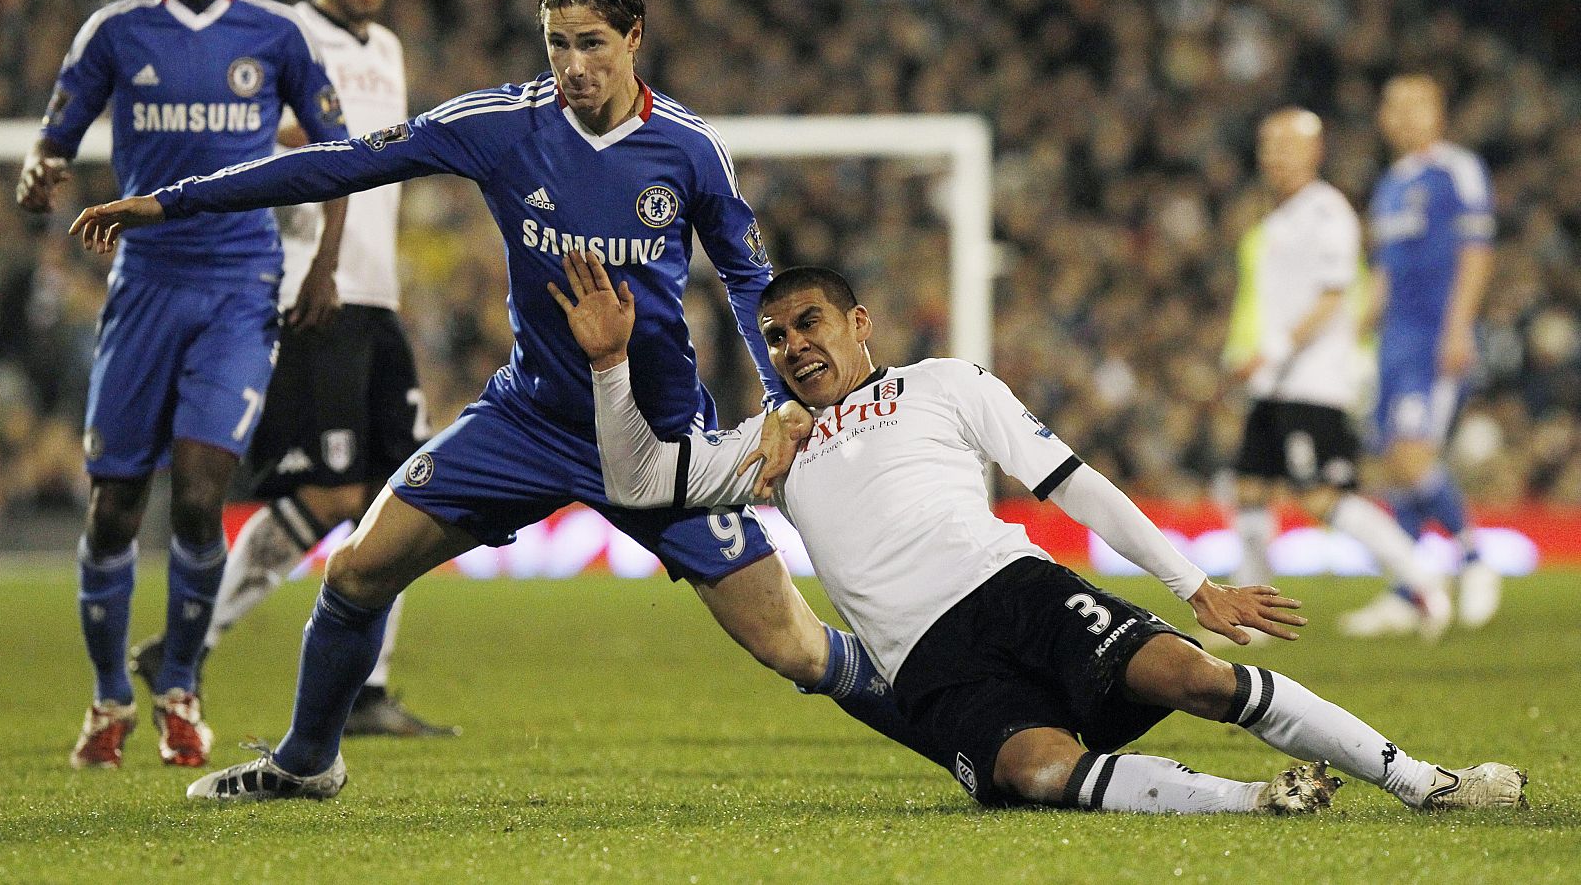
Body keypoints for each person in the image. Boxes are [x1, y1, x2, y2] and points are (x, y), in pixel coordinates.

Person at [71, 0, 935, 801]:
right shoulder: (499, 125)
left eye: (592, 43)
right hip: (529, 422)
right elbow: (338, 161)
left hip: (658, 439)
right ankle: (305, 762)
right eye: (557, 43)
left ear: (635, 37)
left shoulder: (689, 150)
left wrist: (785, 403)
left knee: (794, 645)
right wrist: (173, 199)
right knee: (355, 572)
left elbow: (751, 282)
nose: (573, 66)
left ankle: (966, 730)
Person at [558, 253, 1526, 813]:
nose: (793, 346)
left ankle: (1427, 781)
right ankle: (1255, 800)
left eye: (807, 322)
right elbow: (634, 479)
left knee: (1191, 675)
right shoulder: (772, 441)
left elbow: (1070, 481)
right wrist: (607, 366)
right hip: (928, 662)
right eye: (773, 338)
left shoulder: (944, 382)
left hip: (1015, 591)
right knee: (1030, 773)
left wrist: (1193, 583)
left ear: (857, 323)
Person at [18, 0, 350, 771]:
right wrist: (43, 168)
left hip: (242, 285)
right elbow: (58, 130)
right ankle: (105, 699)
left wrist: (322, 262)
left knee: (203, 496)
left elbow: (340, 156)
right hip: (145, 285)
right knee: (116, 502)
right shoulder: (116, 32)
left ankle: (179, 688)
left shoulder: (274, 34)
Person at [127, 0, 455, 739]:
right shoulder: (278, 37)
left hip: (375, 296)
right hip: (308, 291)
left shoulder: (385, 45)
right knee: (332, 487)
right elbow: (226, 141)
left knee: (398, 491)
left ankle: (368, 689)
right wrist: (289, 145)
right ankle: (187, 646)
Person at [1221, 109, 1450, 639]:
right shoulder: (1276, 221)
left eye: (1285, 143)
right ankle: (1250, 619)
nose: (1273, 154)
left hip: (1315, 383)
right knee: (1250, 490)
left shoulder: (1328, 213)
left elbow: (1332, 296)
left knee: (1323, 498)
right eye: (1266, 142)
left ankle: (1423, 579)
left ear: (1314, 151)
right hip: (1274, 383)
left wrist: (1273, 350)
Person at [1343, 75, 1501, 637]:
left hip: (1435, 335)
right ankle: (1410, 590)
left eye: (1416, 106)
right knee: (1393, 466)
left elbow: (1477, 254)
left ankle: (1475, 559)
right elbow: (1384, 272)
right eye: (1394, 107)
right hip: (1395, 342)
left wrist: (1459, 329)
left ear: (1438, 113)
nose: (1403, 116)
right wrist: (1356, 329)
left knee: (1412, 457)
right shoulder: (1390, 184)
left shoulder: (1456, 170)